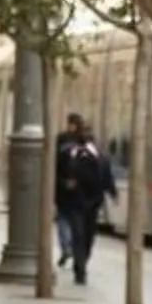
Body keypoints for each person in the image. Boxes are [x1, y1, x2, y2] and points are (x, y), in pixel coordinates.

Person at [53, 113, 114, 285]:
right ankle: (80, 269)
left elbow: (105, 174)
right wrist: (64, 184)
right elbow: (55, 173)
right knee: (78, 234)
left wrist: (111, 191)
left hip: (93, 202)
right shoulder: (66, 153)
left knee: (88, 236)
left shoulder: (99, 155)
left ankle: (82, 260)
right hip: (73, 201)